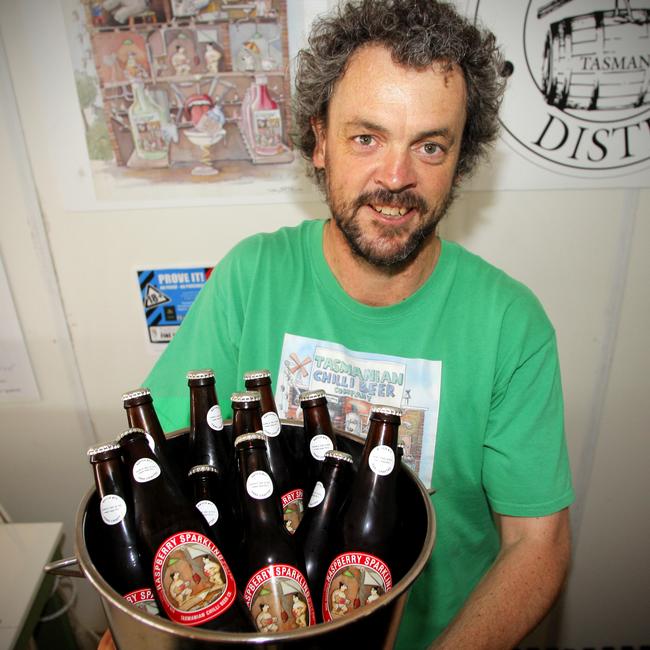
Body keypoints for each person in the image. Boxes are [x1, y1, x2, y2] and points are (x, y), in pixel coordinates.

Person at [98, 2, 574, 649]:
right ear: (319, 141)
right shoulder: (250, 277)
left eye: (430, 145)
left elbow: (536, 544)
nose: (397, 178)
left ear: (462, 159)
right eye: (366, 138)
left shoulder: (511, 326)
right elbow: (163, 472)